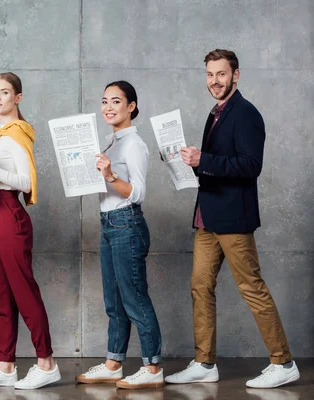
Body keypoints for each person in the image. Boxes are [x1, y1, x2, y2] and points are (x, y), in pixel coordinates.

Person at [165, 49, 300, 389]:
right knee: (200, 287)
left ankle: (283, 363)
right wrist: (192, 162)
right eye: (210, 75)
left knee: (252, 287)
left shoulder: (246, 113)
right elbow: (217, 161)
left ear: (236, 75)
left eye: (221, 74)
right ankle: (204, 363)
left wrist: (205, 159)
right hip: (208, 217)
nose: (215, 81)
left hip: (233, 219)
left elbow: (251, 165)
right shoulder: (216, 113)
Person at [0, 72, 61, 390]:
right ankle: (6, 367)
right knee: (2, 295)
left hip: (8, 212)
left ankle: (46, 362)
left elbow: (26, 182)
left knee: (23, 291)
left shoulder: (17, 134)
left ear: (17, 98)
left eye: (4, 92)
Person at [75, 81, 163, 390]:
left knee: (135, 299)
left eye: (116, 101)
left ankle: (152, 368)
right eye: (104, 101)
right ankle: (114, 363)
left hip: (127, 224)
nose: (108, 107)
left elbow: (137, 193)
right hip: (108, 223)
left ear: (131, 107)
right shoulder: (110, 142)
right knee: (113, 300)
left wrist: (110, 174)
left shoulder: (134, 144)